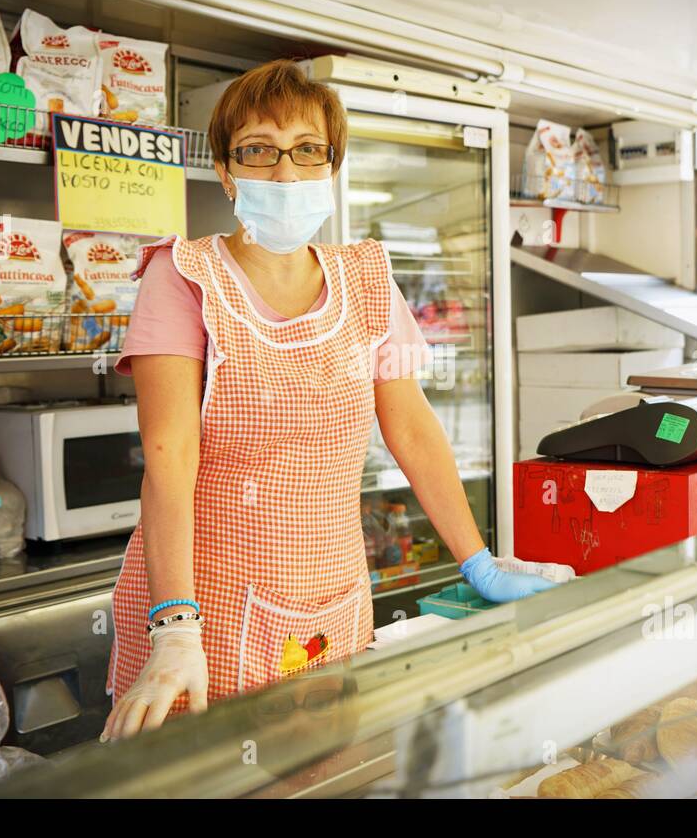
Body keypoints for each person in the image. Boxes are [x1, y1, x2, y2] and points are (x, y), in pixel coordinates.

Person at [102, 60, 573, 741]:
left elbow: (410, 425)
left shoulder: (368, 278)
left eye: (306, 150)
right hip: (202, 611)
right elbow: (169, 455)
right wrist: (174, 624)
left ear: (332, 165)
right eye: (258, 150)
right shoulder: (182, 278)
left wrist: (479, 560)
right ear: (227, 171)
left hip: (332, 597)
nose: (285, 174)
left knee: (324, 772)